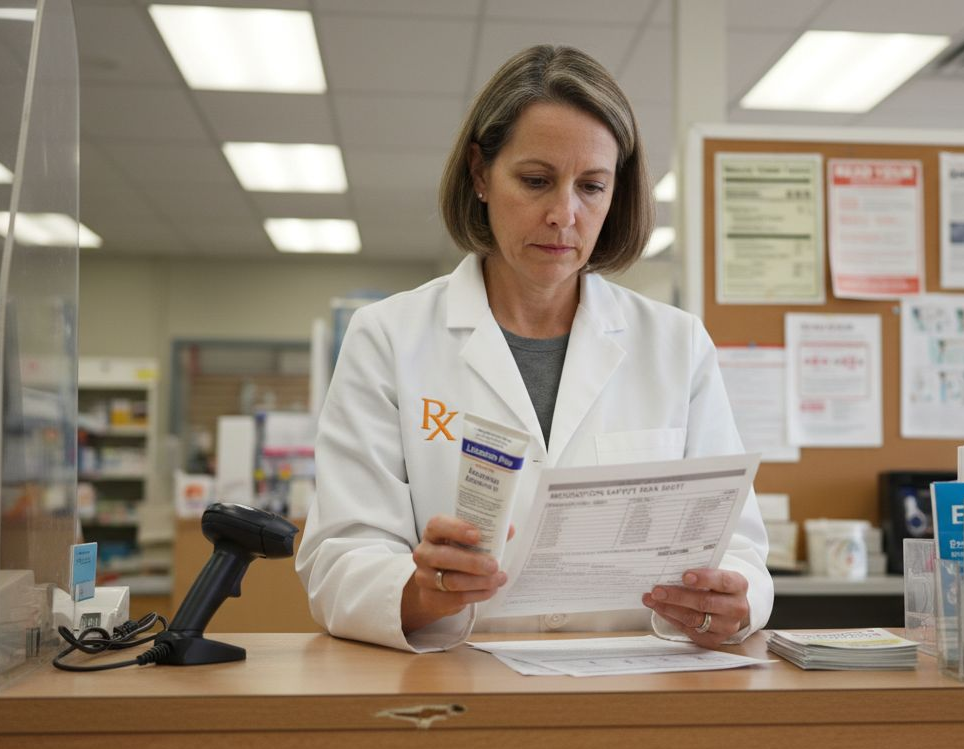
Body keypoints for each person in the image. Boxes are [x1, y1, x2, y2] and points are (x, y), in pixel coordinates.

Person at [296, 44, 772, 653]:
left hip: (636, 694)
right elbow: (340, 556)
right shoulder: (389, 337)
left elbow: (741, 548)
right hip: (459, 692)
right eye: (536, 180)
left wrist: (736, 599)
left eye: (592, 186)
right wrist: (420, 590)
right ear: (479, 174)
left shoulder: (676, 346)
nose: (563, 215)